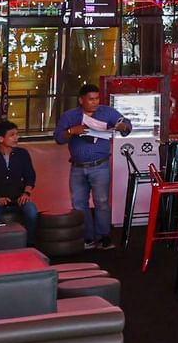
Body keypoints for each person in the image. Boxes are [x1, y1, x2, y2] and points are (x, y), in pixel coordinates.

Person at [54, 84, 130, 249]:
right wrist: (71, 131)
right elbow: (59, 138)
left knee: (101, 201)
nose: (95, 102)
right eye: (91, 99)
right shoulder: (70, 116)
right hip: (77, 167)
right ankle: (88, 237)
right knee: (79, 203)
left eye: (97, 98)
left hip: (100, 165)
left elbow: (126, 124)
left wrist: (123, 126)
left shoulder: (107, 112)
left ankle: (104, 237)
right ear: (81, 100)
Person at [0, 120, 37, 245]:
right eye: (12, 135)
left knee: (32, 212)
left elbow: (30, 175)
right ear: (1, 139)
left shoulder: (22, 154)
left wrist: (26, 193)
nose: (16, 138)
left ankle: (30, 244)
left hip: (19, 197)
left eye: (16, 134)